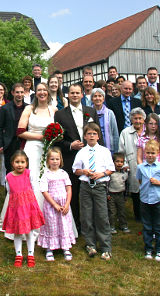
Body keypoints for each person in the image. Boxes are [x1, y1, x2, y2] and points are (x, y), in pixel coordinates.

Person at [54, 83, 99, 227]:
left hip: (90, 158)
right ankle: (75, 224)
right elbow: (57, 139)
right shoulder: (60, 114)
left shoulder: (90, 112)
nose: (74, 95)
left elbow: (99, 134)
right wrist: (69, 145)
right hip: (70, 157)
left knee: (91, 191)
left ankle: (91, 223)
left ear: (81, 94)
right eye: (72, 93)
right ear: (68, 95)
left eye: (77, 93)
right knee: (72, 192)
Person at [72, 123, 115, 261]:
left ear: (98, 136)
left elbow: (111, 169)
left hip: (99, 186)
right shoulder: (82, 152)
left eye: (94, 134)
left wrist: (101, 174)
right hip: (85, 186)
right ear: (84, 136)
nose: (91, 136)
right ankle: (90, 244)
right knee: (86, 216)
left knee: (102, 216)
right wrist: (83, 171)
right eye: (89, 134)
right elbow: (75, 170)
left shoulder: (104, 151)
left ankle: (105, 247)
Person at [136, 113, 160, 243]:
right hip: (147, 175)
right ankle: (151, 231)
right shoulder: (142, 138)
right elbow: (139, 157)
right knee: (149, 205)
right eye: (150, 123)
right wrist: (143, 170)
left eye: (155, 123)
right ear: (146, 124)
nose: (153, 126)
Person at [2, 150, 45, 268]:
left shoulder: (28, 174)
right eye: (17, 162)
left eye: (22, 162)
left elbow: (34, 188)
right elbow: (10, 192)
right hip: (15, 208)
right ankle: (19, 254)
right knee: (17, 232)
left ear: (26, 163)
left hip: (28, 206)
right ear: (12, 163)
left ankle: (31, 253)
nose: (19, 164)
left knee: (29, 231)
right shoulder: (9, 177)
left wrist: (32, 205)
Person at [17, 83, 56, 210]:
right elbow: (20, 132)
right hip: (32, 148)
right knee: (32, 179)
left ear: (48, 92)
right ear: (36, 93)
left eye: (45, 90)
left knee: (47, 178)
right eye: (39, 90)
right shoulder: (29, 109)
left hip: (49, 149)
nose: (42, 92)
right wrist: (40, 137)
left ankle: (47, 210)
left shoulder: (53, 109)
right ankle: (29, 210)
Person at [38, 147, 75, 261]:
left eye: (57, 159)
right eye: (52, 159)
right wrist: (54, 204)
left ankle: (65, 247)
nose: (55, 161)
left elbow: (69, 189)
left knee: (64, 225)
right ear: (48, 160)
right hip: (51, 206)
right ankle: (50, 248)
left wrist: (67, 204)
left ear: (61, 160)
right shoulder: (46, 175)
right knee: (51, 225)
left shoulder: (64, 174)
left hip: (64, 205)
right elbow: (44, 191)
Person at [137, 140, 160, 262]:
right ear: (145, 153)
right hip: (145, 200)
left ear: (158, 153)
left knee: (159, 226)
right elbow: (140, 180)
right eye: (148, 153)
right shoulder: (140, 167)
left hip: (157, 200)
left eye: (153, 153)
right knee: (147, 226)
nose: (150, 155)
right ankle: (148, 248)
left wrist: (157, 183)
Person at [118, 107, 146, 222]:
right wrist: (124, 164)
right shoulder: (125, 132)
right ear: (131, 120)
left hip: (145, 163)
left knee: (146, 189)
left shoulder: (147, 132)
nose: (138, 121)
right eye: (135, 119)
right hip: (132, 164)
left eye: (140, 118)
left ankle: (147, 214)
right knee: (135, 191)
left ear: (144, 119)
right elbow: (121, 150)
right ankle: (138, 215)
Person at [0, 83, 27, 173]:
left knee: (25, 169)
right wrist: (1, 144)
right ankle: (9, 187)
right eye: (17, 92)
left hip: (24, 142)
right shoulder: (5, 108)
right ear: (12, 93)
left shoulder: (28, 108)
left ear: (24, 93)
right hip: (10, 143)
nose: (19, 95)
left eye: (21, 92)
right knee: (10, 169)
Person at [108, 152, 130, 234]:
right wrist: (107, 194)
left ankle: (123, 225)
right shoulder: (110, 173)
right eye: (117, 161)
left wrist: (125, 195)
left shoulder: (124, 173)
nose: (119, 163)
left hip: (120, 194)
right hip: (111, 195)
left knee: (122, 211)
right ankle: (111, 226)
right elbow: (107, 184)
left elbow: (126, 184)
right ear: (113, 162)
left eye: (121, 162)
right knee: (112, 212)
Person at [91, 88, 119, 152]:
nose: (97, 98)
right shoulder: (87, 113)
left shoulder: (110, 113)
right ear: (92, 99)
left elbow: (115, 132)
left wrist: (116, 150)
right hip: (93, 147)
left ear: (103, 99)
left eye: (100, 96)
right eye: (95, 96)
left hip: (108, 147)